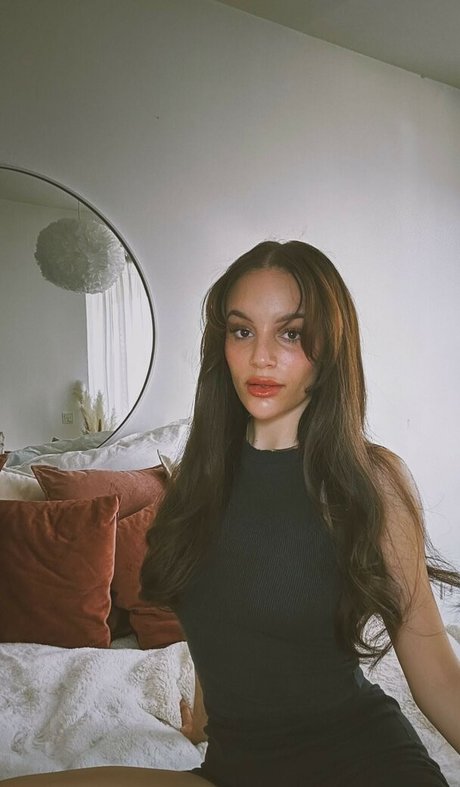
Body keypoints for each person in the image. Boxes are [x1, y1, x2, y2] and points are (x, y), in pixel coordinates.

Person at [5, 241, 460, 787]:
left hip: (361, 762)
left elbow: (438, 679)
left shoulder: (373, 481)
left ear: (330, 346)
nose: (260, 357)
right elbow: (220, 613)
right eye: (242, 331)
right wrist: (201, 723)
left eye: (290, 333)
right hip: (235, 769)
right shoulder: (196, 481)